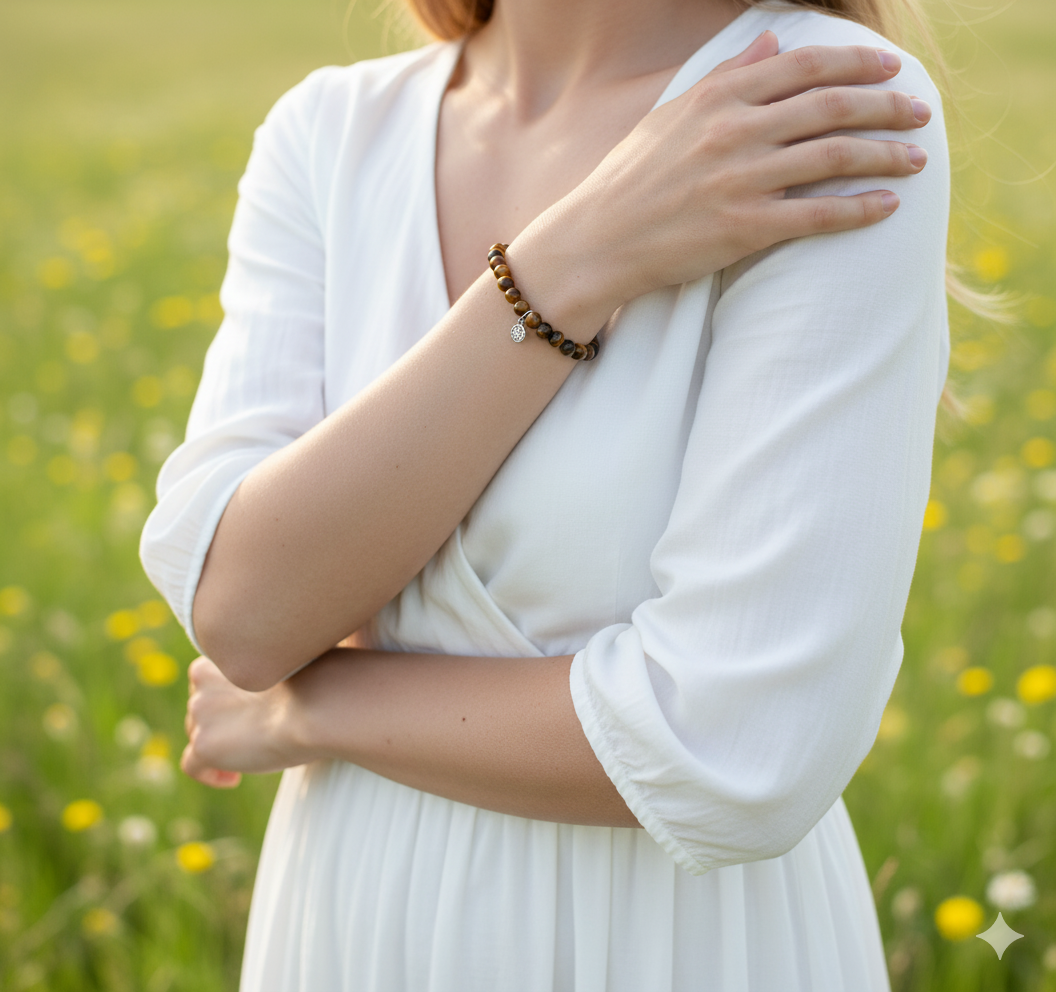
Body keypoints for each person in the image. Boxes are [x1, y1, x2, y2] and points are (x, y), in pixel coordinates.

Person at [140, 0, 950, 986]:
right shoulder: (331, 132)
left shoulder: (814, 101)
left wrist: (306, 714)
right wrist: (574, 256)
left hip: (675, 940)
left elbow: (735, 748)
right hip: (350, 918)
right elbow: (246, 611)